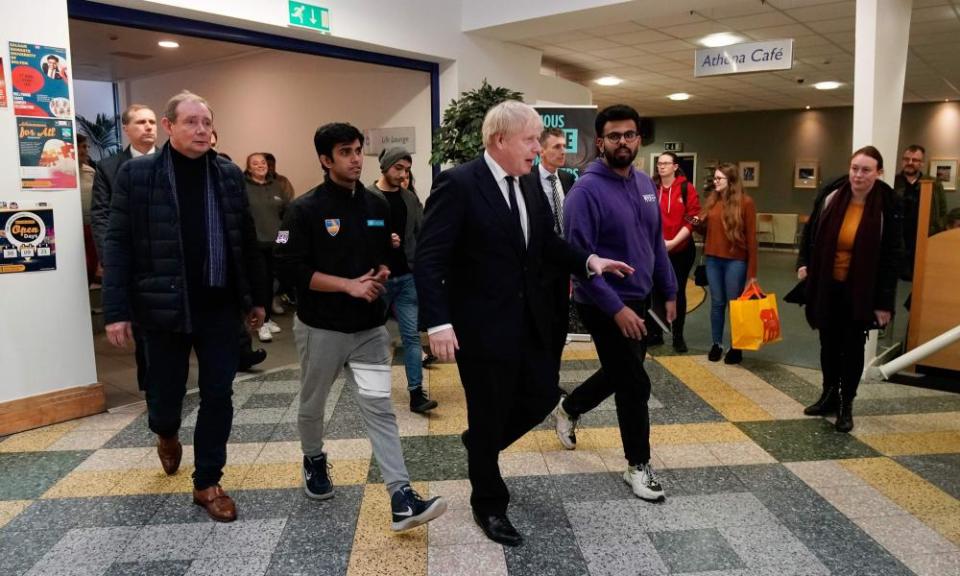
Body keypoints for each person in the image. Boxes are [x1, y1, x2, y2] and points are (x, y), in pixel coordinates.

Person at [414, 100, 633, 546]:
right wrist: (437, 323)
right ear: (500, 140)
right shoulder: (458, 185)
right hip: (481, 327)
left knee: (540, 396)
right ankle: (489, 504)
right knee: (488, 408)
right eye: (531, 139)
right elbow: (429, 258)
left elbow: (547, 243)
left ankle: (480, 445)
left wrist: (590, 260)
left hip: (532, 320)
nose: (539, 148)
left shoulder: (531, 181)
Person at [102, 91, 269, 522]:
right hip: (162, 309)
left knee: (219, 393)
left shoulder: (228, 174)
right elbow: (117, 242)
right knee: (165, 394)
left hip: (218, 306)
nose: (201, 130)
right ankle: (165, 430)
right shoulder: (138, 176)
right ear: (169, 125)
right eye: (191, 122)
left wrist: (258, 299)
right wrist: (116, 309)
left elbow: (244, 240)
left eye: (206, 122)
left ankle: (208, 482)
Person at [274, 122, 446, 532]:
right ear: (325, 159)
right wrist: (347, 286)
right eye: (345, 152)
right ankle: (314, 458)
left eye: (357, 150)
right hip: (322, 330)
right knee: (313, 404)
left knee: (379, 409)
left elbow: (381, 254)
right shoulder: (302, 209)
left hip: (369, 331)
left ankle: (401, 497)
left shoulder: (376, 205)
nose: (355, 158)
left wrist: (382, 272)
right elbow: (287, 266)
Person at [553, 104, 677, 503]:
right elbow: (579, 261)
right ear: (600, 141)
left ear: (639, 138)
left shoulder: (644, 184)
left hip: (639, 298)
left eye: (629, 134)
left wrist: (670, 291)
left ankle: (570, 406)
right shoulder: (585, 192)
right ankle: (638, 465)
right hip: (602, 302)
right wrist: (616, 310)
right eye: (613, 136)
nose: (622, 142)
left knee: (623, 371)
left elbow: (654, 243)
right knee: (634, 383)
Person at [797, 146, 902, 432]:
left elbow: (893, 256)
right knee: (828, 344)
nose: (858, 174)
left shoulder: (887, 204)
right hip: (827, 285)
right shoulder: (833, 194)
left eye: (866, 170)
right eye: (855, 168)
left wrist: (884, 302)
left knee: (853, 347)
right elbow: (811, 232)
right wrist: (804, 262)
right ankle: (829, 394)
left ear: (878, 173)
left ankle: (846, 404)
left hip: (861, 290)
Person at [91, 104, 158, 390]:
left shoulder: (172, 160)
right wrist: (110, 257)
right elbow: (101, 214)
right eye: (141, 122)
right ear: (127, 129)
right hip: (132, 259)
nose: (148, 127)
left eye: (152, 122)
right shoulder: (108, 168)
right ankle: (151, 384)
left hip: (169, 256)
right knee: (143, 326)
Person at [369, 146, 438, 413]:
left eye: (407, 169)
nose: (403, 174)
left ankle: (415, 394)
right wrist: (382, 239)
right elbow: (359, 235)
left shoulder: (409, 199)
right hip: (377, 278)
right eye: (398, 168)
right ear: (385, 167)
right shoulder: (367, 197)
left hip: (407, 277)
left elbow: (422, 232)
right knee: (372, 336)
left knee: (411, 336)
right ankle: (371, 387)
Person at [520, 128, 575, 374]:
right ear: (541, 150)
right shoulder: (526, 179)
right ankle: (538, 378)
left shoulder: (566, 179)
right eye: (557, 147)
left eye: (564, 146)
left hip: (562, 264)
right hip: (537, 266)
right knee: (537, 326)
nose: (563, 151)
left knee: (559, 325)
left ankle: (552, 376)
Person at [698, 162, 758, 364]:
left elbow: (751, 239)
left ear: (730, 181)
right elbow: (706, 231)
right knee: (717, 303)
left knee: (735, 305)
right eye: (714, 178)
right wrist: (697, 223)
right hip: (713, 259)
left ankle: (736, 346)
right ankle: (717, 344)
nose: (715, 182)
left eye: (719, 179)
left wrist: (752, 274)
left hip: (736, 261)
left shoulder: (746, 203)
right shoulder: (712, 201)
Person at [646, 151, 701, 353]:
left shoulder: (686, 188)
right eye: (659, 163)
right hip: (656, 250)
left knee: (676, 292)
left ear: (675, 166)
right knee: (655, 290)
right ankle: (655, 333)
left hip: (681, 250)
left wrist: (673, 242)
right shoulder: (651, 188)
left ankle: (678, 335)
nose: (661, 167)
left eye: (666, 163)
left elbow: (694, 218)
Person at [245, 152, 292, 342]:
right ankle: (261, 323)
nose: (260, 166)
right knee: (261, 284)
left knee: (274, 282)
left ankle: (269, 319)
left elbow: (287, 217)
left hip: (276, 244)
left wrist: (283, 241)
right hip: (256, 245)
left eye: (262, 162)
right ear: (249, 168)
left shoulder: (277, 186)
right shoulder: (244, 187)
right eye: (255, 163)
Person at [895, 144, 947, 279]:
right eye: (906, 159)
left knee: (922, 279)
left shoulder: (933, 184)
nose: (910, 163)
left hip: (924, 239)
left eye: (915, 160)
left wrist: (936, 230)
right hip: (899, 240)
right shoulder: (893, 183)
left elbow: (942, 211)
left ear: (922, 163)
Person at [77, 133, 99, 287]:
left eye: (86, 146)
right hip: (71, 228)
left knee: (91, 264)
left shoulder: (90, 171)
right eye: (83, 146)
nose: (86, 151)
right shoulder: (60, 172)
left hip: (90, 226)